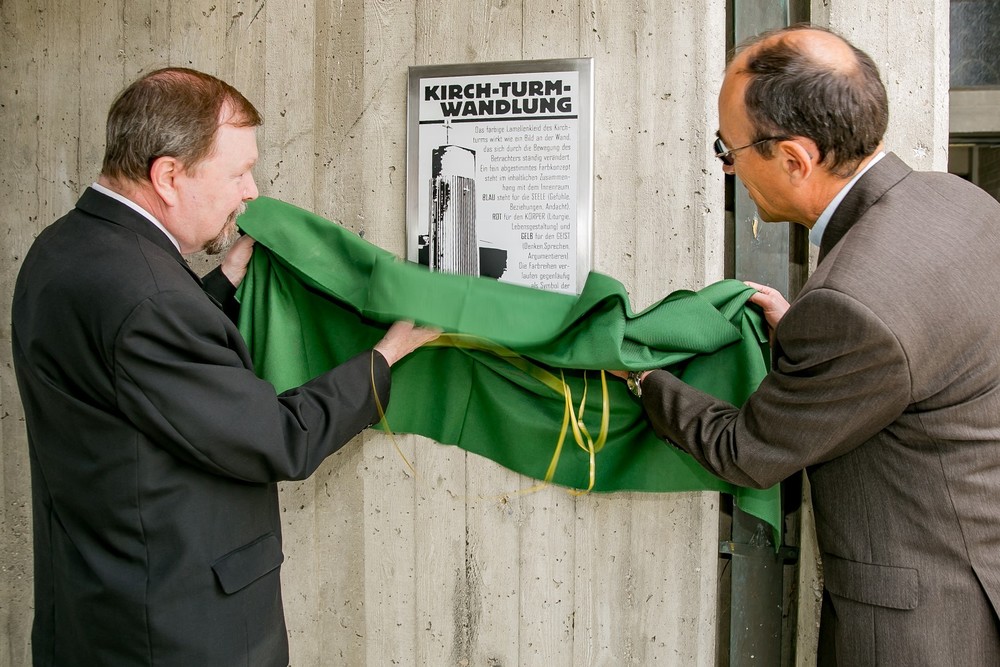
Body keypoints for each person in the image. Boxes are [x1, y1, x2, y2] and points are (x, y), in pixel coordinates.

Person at [11, 67, 438, 666]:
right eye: (238, 172)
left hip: (99, 610)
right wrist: (387, 355)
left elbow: (140, 371)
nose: (251, 192)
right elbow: (280, 439)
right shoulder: (149, 298)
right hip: (175, 633)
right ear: (168, 176)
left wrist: (226, 280)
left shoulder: (64, 247)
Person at [615, 26, 1000, 665]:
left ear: (795, 159)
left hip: (922, 625)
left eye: (727, 148)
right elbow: (922, 348)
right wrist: (815, 337)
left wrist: (639, 375)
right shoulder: (958, 199)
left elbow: (746, 452)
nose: (728, 168)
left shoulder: (854, 305)